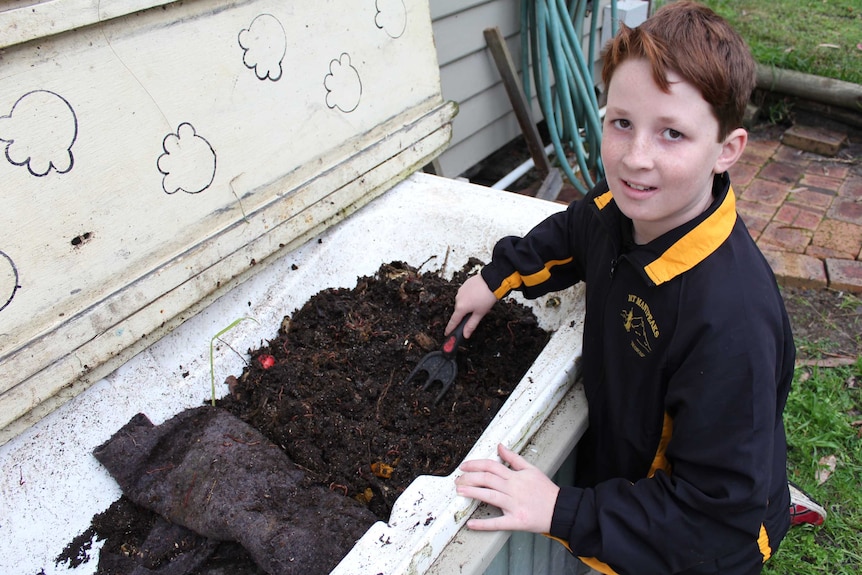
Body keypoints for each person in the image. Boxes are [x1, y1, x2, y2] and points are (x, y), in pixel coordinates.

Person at [448, 2, 824, 573]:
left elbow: (714, 521)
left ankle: (775, 504)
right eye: (621, 122)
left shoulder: (730, 323)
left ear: (727, 150)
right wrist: (497, 277)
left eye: (672, 133)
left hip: (706, 542)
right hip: (657, 468)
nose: (634, 157)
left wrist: (560, 509)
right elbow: (574, 231)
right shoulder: (623, 208)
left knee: (734, 487)